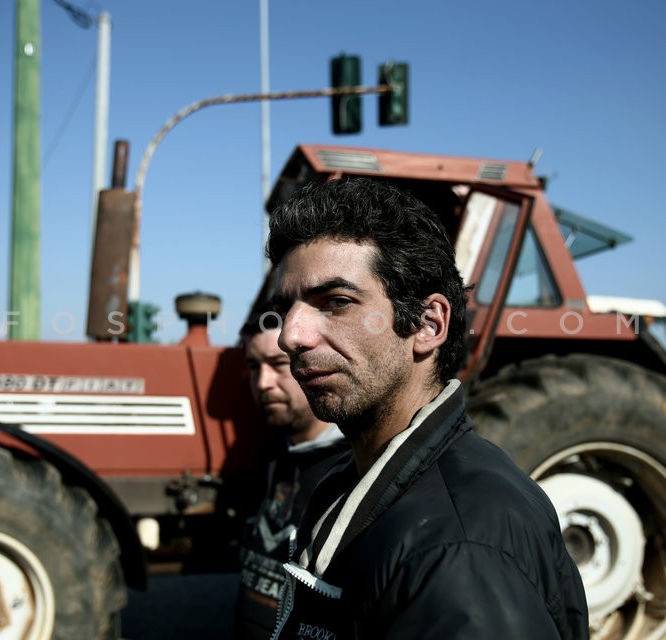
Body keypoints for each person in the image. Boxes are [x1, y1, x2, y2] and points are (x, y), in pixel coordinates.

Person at [266, 177, 589, 639]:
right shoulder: (356, 481)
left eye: (336, 302)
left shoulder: (461, 548)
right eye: (286, 308)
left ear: (428, 324)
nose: (290, 336)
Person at [233, 307, 351, 640]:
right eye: (254, 367)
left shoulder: (351, 469)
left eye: (278, 364)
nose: (263, 383)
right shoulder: (269, 456)